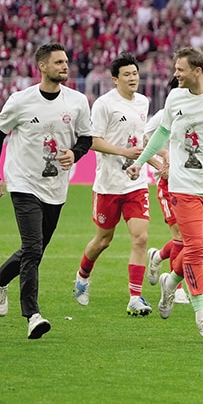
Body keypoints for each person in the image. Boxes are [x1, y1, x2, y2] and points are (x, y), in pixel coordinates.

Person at [128, 47, 203, 340]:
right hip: (183, 186)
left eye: (180, 70)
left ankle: (170, 281)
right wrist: (139, 162)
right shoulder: (175, 97)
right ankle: (202, 318)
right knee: (196, 250)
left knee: (202, 247)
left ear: (198, 71)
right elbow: (162, 133)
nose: (175, 74)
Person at [0, 43, 93, 339]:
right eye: (58, 62)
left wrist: (74, 154)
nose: (65, 66)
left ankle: (1, 280)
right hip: (22, 182)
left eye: (66, 61)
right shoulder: (20, 101)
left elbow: (86, 138)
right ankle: (32, 315)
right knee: (33, 247)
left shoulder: (77, 101)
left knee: (35, 249)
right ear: (42, 66)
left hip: (55, 186)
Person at [72, 53, 151, 316]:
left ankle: (135, 297)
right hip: (108, 185)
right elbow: (93, 140)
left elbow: (142, 137)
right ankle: (83, 274)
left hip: (136, 182)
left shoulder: (143, 101)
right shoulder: (105, 104)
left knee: (140, 238)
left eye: (135, 73)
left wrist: (156, 158)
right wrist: (123, 152)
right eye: (127, 74)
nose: (133, 78)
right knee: (103, 240)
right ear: (115, 79)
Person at [144, 77, 189, 305]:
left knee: (190, 237)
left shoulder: (193, 114)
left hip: (190, 182)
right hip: (168, 184)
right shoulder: (163, 115)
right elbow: (145, 140)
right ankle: (176, 287)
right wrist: (164, 159)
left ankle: (158, 255)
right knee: (180, 236)